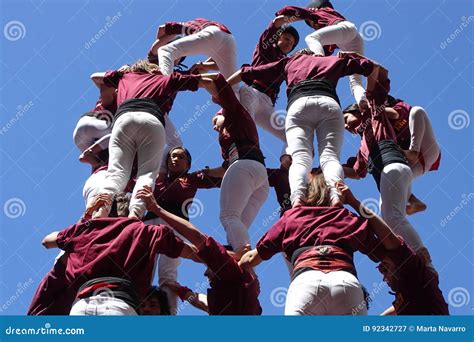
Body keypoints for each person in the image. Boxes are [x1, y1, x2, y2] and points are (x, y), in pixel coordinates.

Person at [227, 49, 389, 208]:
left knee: (300, 158)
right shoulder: (331, 60)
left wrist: (223, 88)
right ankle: (336, 195)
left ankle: (297, 198)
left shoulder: (290, 62)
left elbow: (245, 72)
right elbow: (374, 68)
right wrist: (367, 99)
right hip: (328, 103)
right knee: (330, 157)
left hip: (299, 105)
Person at [238, 172, 385, 315]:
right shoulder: (346, 216)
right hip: (346, 283)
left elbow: (250, 260)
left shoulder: (291, 218)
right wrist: (355, 203)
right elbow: (381, 252)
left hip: (305, 283)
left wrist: (232, 263)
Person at [40, 193, 198, 315]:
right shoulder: (148, 232)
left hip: (81, 307)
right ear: (140, 214)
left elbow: (47, 241)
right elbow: (192, 252)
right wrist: (217, 256)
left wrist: (88, 213)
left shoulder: (87, 229)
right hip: (121, 305)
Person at [85, 60, 204, 219]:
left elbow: (95, 77)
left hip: (124, 120)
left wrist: (120, 73)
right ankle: (135, 215)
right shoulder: (162, 79)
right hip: (151, 119)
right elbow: (200, 81)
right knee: (146, 175)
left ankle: (100, 211)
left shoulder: (126, 77)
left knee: (117, 173)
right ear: (153, 71)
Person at [136, 186, 262, 315]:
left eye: (209, 267)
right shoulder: (231, 293)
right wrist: (182, 291)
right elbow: (202, 302)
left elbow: (197, 238)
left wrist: (156, 209)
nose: (205, 274)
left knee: (229, 216)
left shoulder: (230, 272)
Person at [342, 102, 435, 264]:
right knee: (389, 218)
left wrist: (358, 83)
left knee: (392, 216)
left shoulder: (375, 119)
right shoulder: (364, 146)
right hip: (402, 169)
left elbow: (394, 112)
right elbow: (356, 172)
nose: (344, 125)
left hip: (416, 156)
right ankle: (411, 252)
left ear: (357, 112)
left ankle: (422, 257)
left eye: (345, 118)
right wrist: (326, 170)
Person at [338, 186, 449, 315]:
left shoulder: (413, 271)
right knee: (390, 216)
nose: (384, 278)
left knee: (391, 216)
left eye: (385, 270)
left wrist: (354, 202)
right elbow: (389, 238)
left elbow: (390, 238)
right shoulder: (410, 285)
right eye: (384, 271)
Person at [143, 146, 221, 314]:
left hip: (175, 226)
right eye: (172, 156)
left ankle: (169, 315)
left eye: (180, 157)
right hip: (148, 224)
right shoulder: (156, 179)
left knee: (168, 274)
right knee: (143, 270)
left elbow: (223, 177)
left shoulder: (192, 178)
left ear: (188, 164)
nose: (175, 159)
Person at [199, 73, 269, 251]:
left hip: (245, 166)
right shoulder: (229, 136)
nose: (214, 126)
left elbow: (221, 86)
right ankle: (239, 254)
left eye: (215, 120)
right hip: (260, 177)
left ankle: (243, 256)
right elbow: (225, 168)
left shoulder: (234, 112)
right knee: (238, 224)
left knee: (228, 216)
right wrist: (207, 173)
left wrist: (197, 78)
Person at [275, 0, 367, 106]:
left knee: (311, 38)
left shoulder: (321, 12)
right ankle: (363, 102)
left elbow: (298, 11)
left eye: (311, 24)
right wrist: (302, 54)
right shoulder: (330, 31)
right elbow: (325, 50)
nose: (314, 26)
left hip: (346, 29)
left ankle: (318, 61)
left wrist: (281, 14)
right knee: (355, 81)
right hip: (353, 40)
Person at [239, 17, 299, 143]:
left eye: (292, 43)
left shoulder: (287, 62)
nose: (289, 43)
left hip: (268, 105)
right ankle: (245, 153)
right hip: (253, 93)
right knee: (244, 125)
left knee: (292, 136)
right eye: (287, 38)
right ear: (277, 37)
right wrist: (288, 18)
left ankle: (288, 160)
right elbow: (272, 28)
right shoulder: (266, 48)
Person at [383, 95, 441, 214]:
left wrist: (370, 109)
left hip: (426, 150)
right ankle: (414, 202)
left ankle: (413, 151)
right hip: (417, 164)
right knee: (392, 177)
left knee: (417, 110)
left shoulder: (399, 106)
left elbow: (395, 114)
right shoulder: (381, 128)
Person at [149, 18, 238, 93]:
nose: (175, 62)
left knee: (165, 50)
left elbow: (161, 28)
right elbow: (219, 64)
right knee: (232, 88)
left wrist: (175, 33)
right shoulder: (178, 72)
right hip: (228, 39)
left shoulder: (153, 55)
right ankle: (244, 109)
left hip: (211, 32)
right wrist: (203, 65)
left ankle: (163, 83)